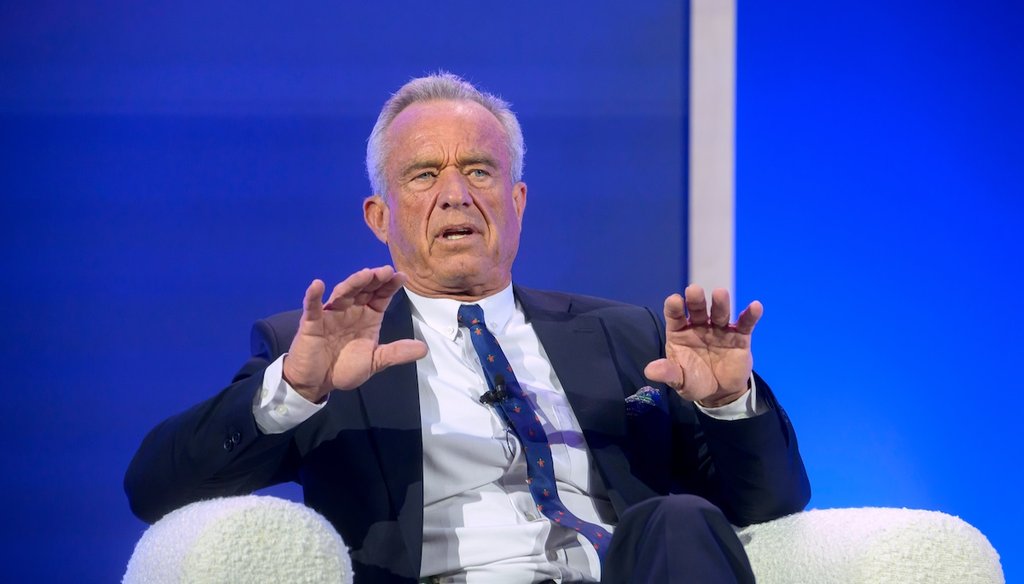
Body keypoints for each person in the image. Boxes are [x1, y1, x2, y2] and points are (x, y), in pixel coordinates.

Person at [125, 72, 810, 583]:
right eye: (424, 175)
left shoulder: (622, 334)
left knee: (679, 519)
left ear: (516, 203)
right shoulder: (326, 353)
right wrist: (296, 388)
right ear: (380, 217)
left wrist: (728, 405)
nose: (456, 193)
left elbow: (770, 506)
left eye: (479, 170)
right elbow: (153, 489)